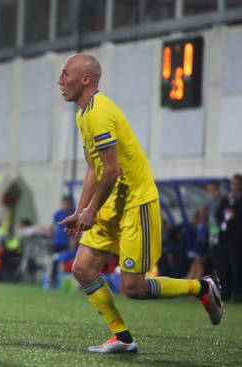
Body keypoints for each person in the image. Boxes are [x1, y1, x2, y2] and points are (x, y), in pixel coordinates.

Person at [56, 54, 224, 353]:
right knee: (82, 269)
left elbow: (112, 170)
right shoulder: (83, 115)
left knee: (133, 288)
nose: (59, 81)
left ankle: (202, 287)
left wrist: (91, 210)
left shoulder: (98, 113)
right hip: (111, 204)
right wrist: (81, 210)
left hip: (136, 204)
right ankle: (122, 338)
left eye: (65, 74)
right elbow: (94, 168)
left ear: (85, 79)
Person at [213, 173, 242, 301]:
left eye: (236, 183)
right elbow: (218, 214)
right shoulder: (226, 198)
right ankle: (226, 292)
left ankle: (239, 292)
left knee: (236, 266)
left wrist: (233, 214)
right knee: (224, 266)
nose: (234, 186)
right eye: (233, 183)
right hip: (224, 238)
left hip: (236, 238)